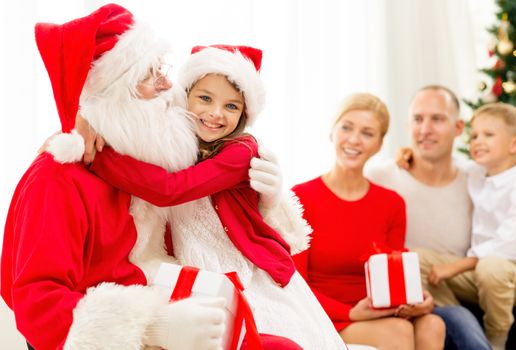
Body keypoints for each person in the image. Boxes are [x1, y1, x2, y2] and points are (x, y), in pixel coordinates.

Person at [1, 5, 293, 350]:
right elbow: (39, 307)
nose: (169, 84)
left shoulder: (142, 163)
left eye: (163, 69)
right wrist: (153, 328)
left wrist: (269, 203)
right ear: (115, 91)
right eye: (150, 74)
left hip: (166, 304)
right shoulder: (58, 176)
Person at [79, 44, 347, 350]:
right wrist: (90, 124)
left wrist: (98, 157)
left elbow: (171, 190)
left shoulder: (241, 152)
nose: (215, 114)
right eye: (205, 98)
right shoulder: (175, 143)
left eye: (232, 106)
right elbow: (133, 123)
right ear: (185, 97)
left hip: (246, 273)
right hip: (197, 271)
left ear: (245, 115)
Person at [291, 92, 445, 350]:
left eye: (367, 133)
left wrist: (418, 300)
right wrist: (351, 313)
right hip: (326, 314)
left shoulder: (392, 204)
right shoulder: (300, 198)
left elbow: (396, 273)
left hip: (379, 309)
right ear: (332, 132)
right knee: (398, 332)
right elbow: (295, 283)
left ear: (379, 143)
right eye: (347, 128)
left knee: (433, 325)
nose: (354, 140)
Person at [365, 85, 508, 350]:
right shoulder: (381, 177)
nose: (425, 129)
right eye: (418, 119)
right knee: (460, 319)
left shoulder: (476, 178)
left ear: (458, 128)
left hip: (472, 286)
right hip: (425, 299)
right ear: (408, 125)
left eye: (437, 119)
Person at [421, 102, 516, 350]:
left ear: (514, 144)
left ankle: (497, 338)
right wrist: (411, 154)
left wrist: (455, 266)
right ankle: (462, 318)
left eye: (488, 135)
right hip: (478, 272)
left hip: (514, 273)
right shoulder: (476, 173)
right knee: (416, 259)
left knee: (491, 268)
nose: (477, 141)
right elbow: (447, 162)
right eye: (475, 135)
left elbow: (508, 244)